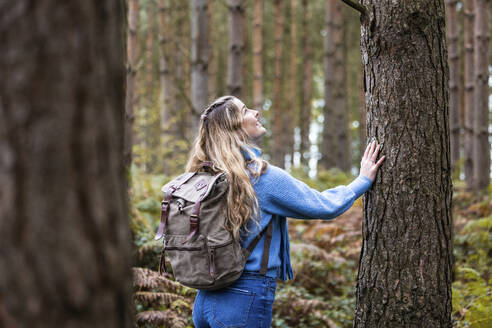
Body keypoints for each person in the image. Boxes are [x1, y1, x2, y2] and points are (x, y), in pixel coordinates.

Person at [187, 95, 385, 328]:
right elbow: (325, 206)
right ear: (234, 126)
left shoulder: (204, 176)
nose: (255, 112)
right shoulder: (261, 178)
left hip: (204, 300)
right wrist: (362, 180)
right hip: (244, 296)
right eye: (245, 110)